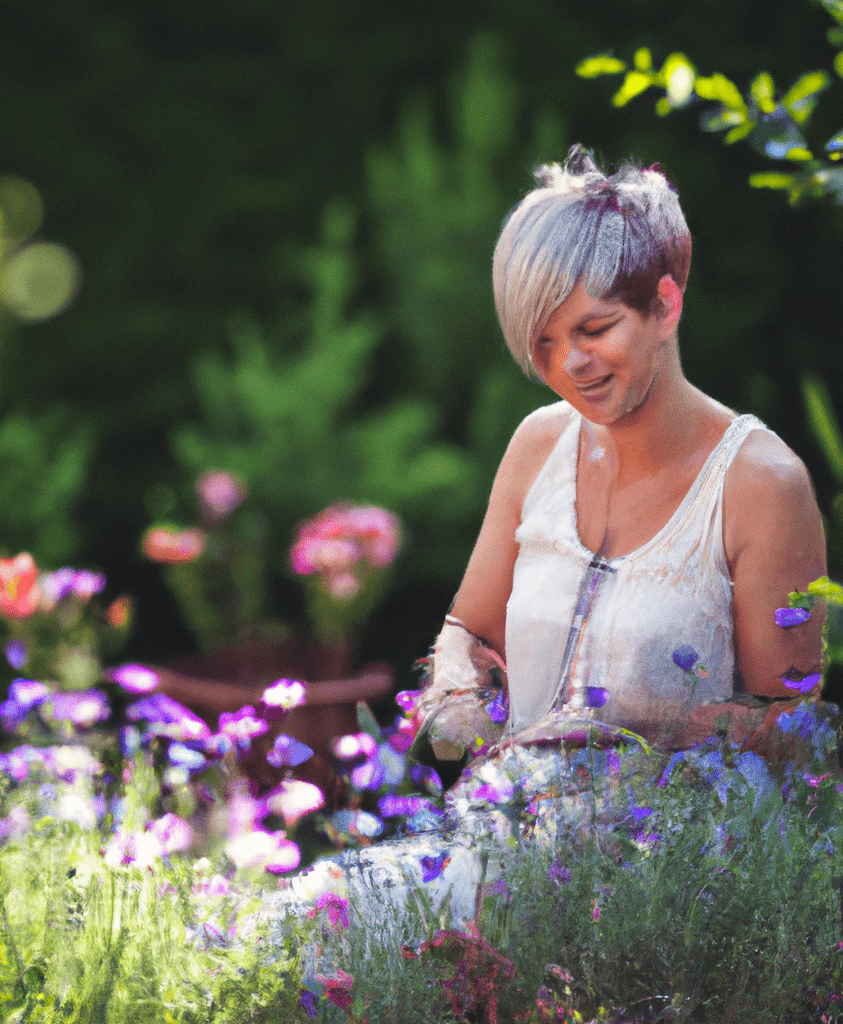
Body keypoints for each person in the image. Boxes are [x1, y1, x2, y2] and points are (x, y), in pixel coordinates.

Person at [271, 144, 829, 928]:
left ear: (666, 305)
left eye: (595, 328)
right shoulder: (538, 444)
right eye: (541, 342)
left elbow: (795, 728)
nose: (570, 364)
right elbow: (468, 628)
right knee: (305, 922)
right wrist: (458, 691)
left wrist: (637, 723)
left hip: (676, 877)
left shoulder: (761, 483)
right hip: (510, 846)